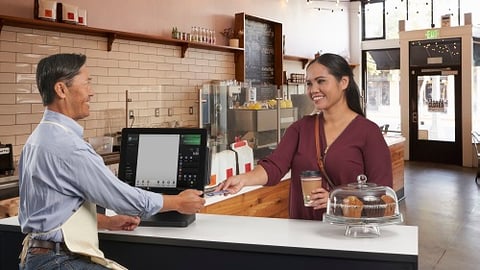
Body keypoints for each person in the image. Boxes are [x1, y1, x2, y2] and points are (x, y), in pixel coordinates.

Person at [18, 53, 205, 269]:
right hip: (60, 261)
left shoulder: (37, 139)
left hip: (38, 258)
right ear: (61, 90)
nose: (92, 92)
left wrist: (106, 222)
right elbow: (120, 197)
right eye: (87, 83)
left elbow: (50, 211)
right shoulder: (68, 145)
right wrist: (178, 202)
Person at [218, 53, 392, 220]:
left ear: (344, 82)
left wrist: (337, 200)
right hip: (302, 233)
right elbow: (274, 167)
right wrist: (243, 179)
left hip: (348, 233)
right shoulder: (300, 128)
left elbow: (382, 192)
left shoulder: (368, 132)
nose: (313, 90)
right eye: (309, 84)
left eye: (321, 81)